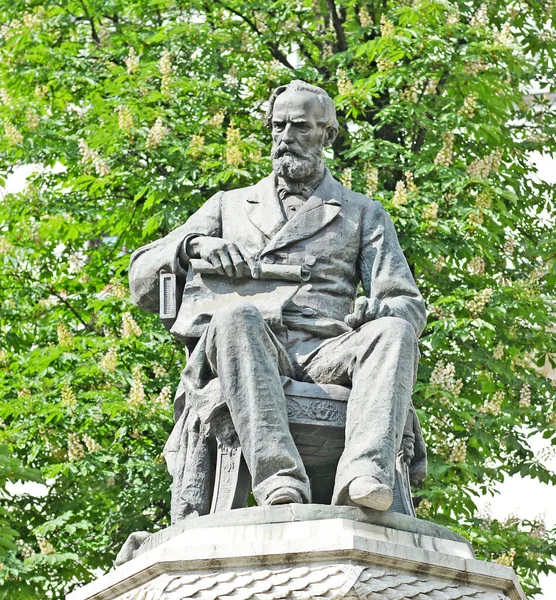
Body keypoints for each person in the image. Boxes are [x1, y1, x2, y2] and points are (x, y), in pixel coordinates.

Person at [129, 80, 426, 521]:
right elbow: (142, 280)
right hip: (251, 345)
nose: (286, 138)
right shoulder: (228, 206)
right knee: (233, 319)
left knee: (394, 331)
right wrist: (192, 247)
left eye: (300, 127)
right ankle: (279, 480)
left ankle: (363, 475)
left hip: (328, 348)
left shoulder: (363, 213)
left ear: (327, 134)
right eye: (278, 126)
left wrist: (378, 310)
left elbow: (406, 301)